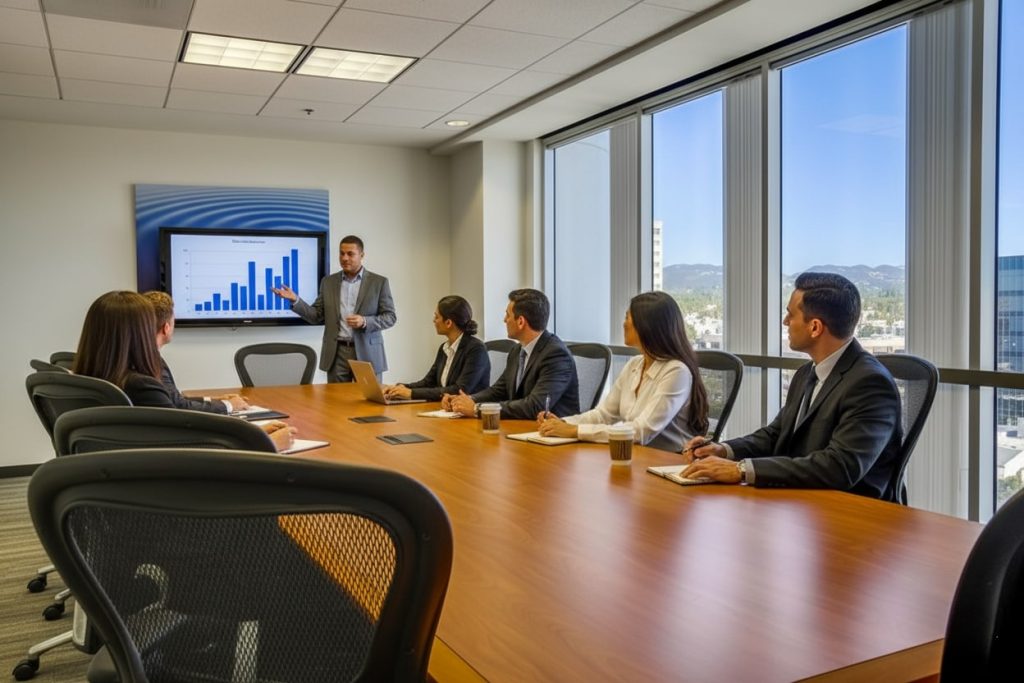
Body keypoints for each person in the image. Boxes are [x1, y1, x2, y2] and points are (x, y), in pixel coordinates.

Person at [681, 272, 902, 500]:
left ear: (815, 327)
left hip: (852, 512)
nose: (785, 322)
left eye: (790, 314)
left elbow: (840, 467)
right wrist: (724, 450)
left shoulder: (870, 384)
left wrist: (741, 470)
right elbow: (776, 434)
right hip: (802, 499)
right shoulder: (807, 372)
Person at [73, 291, 295, 451]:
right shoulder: (140, 386)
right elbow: (186, 451)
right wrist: (267, 444)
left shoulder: (94, 378)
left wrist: (247, 433)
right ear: (137, 333)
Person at [536, 292, 709, 452]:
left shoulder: (676, 371)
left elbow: (640, 432)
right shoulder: (635, 364)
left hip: (667, 462)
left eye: (628, 317)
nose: (624, 323)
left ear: (646, 325)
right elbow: (605, 414)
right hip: (638, 457)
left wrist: (575, 430)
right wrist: (562, 423)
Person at [272, 235, 396, 383]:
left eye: (350, 254)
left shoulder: (378, 282)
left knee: (368, 402)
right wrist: (296, 300)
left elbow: (390, 317)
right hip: (337, 353)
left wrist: (365, 321)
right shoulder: (328, 282)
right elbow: (316, 316)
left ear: (362, 255)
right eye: (341, 253)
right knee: (336, 402)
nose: (344, 258)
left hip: (367, 352)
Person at [444, 288, 579, 419]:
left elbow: (535, 406)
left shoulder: (556, 355)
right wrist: (466, 400)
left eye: (508, 315)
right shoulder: (517, 350)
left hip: (552, 434)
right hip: (522, 429)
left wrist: (477, 408)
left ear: (520, 321)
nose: (504, 320)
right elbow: (499, 390)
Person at [142, 291, 248, 414]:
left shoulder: (143, 357)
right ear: (166, 328)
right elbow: (179, 407)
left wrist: (214, 400)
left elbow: (172, 399)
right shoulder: (151, 362)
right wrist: (228, 405)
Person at [382, 295, 490, 401]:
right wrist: (400, 388)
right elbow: (428, 382)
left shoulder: (476, 349)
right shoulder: (444, 348)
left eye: (437, 317)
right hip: (446, 409)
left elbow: (459, 390)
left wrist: (411, 394)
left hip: (469, 413)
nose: (434, 320)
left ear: (448, 323)